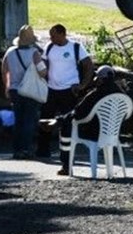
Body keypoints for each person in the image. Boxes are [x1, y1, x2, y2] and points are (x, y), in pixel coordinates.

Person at [54, 65, 127, 176]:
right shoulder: (121, 95)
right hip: (114, 133)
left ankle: (66, 166)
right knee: (68, 120)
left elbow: (78, 114)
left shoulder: (95, 94)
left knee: (67, 126)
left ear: (100, 79)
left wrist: (61, 119)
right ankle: (59, 121)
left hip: (92, 133)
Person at [39, 24, 94, 157]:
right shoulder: (49, 47)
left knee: (67, 122)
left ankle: (67, 152)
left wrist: (83, 85)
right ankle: (43, 150)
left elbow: (88, 65)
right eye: (50, 35)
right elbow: (43, 63)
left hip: (69, 90)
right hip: (51, 89)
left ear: (62, 34)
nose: (51, 38)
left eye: (53, 35)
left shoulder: (76, 47)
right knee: (45, 119)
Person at [2, 25, 47, 160]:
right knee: (29, 120)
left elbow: (4, 70)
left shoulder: (10, 52)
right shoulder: (35, 53)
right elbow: (42, 72)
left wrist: (7, 86)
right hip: (29, 91)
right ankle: (26, 149)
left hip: (15, 90)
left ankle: (17, 149)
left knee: (18, 120)